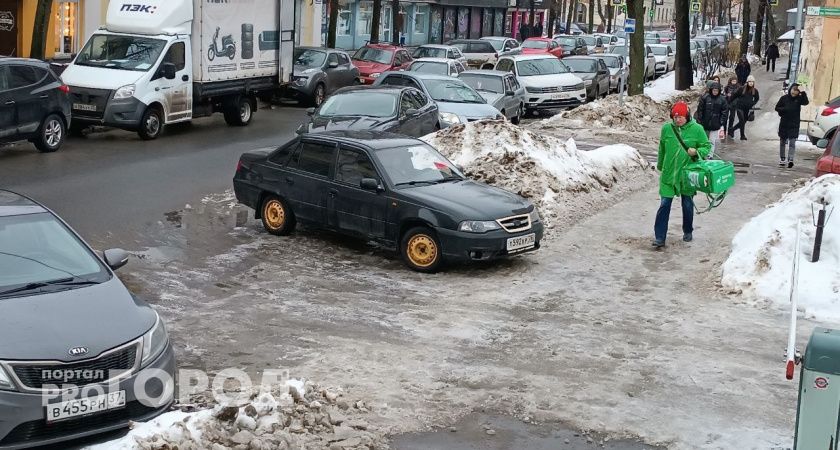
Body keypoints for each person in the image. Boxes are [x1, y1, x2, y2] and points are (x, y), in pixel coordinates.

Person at [653, 101, 712, 247]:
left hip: (686, 175)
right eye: (675, 117)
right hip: (669, 174)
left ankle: (687, 230)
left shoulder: (697, 129)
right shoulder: (667, 128)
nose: (677, 120)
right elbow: (662, 148)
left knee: (687, 204)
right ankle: (660, 237)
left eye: (680, 117)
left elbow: (706, 146)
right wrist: (660, 165)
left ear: (687, 116)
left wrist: (697, 152)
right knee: (664, 204)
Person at [775, 83, 810, 168]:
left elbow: (806, 102)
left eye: (796, 91)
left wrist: (803, 92)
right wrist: (784, 109)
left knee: (792, 142)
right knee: (782, 142)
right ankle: (782, 159)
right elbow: (777, 108)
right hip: (784, 123)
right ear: (790, 89)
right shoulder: (784, 98)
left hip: (794, 124)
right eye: (793, 90)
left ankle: (790, 159)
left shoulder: (799, 99)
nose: (794, 92)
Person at [695, 82, 728, 158]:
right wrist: (700, 120)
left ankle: (710, 155)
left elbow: (725, 112)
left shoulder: (722, 100)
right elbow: (700, 110)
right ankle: (702, 154)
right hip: (705, 123)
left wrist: (721, 122)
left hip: (715, 124)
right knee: (703, 140)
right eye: (714, 90)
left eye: (716, 90)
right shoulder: (705, 98)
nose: (715, 92)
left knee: (712, 141)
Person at [732, 75, 760, 140]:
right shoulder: (741, 89)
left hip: (747, 109)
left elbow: (757, 98)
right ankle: (742, 136)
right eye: (749, 81)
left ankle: (732, 129)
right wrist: (729, 103)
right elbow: (734, 96)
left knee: (743, 122)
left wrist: (753, 103)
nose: (751, 83)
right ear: (747, 82)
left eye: (752, 82)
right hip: (739, 107)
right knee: (741, 121)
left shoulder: (755, 91)